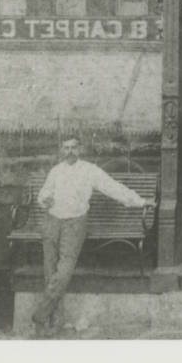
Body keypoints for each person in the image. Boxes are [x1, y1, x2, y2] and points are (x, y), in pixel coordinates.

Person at [32, 136, 155, 337]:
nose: (70, 151)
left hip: (75, 223)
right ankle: (54, 320)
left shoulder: (89, 170)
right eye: (66, 148)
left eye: (74, 147)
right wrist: (44, 199)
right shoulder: (56, 171)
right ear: (61, 150)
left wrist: (140, 201)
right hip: (52, 221)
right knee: (50, 272)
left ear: (80, 150)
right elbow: (43, 195)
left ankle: (39, 315)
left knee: (63, 272)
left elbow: (113, 188)